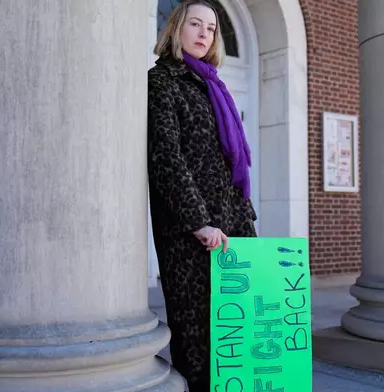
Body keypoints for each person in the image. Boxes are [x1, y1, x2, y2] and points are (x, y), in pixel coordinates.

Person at [147, 1, 257, 389]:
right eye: (195, 24)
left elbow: (232, 166)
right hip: (189, 235)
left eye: (211, 28)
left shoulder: (213, 85)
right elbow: (165, 158)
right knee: (198, 338)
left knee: (236, 335)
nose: (203, 33)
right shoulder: (161, 82)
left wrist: (247, 224)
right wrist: (198, 222)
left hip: (230, 227)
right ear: (176, 28)